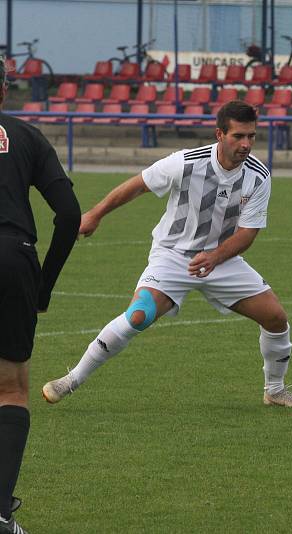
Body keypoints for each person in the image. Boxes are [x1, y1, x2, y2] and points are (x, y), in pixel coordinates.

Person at [41, 101, 292, 410]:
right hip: (172, 256)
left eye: (251, 136)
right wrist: (95, 214)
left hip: (221, 260)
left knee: (276, 318)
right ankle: (71, 379)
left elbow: (248, 233)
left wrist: (215, 257)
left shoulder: (259, 176)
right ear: (219, 134)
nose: (246, 144)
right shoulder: (185, 162)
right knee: (138, 315)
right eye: (238, 136)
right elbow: (137, 185)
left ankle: (274, 390)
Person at [0, 59, 81, 534]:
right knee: (10, 389)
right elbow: (68, 214)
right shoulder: (27, 136)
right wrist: (43, 286)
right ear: (5, 90)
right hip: (14, 261)